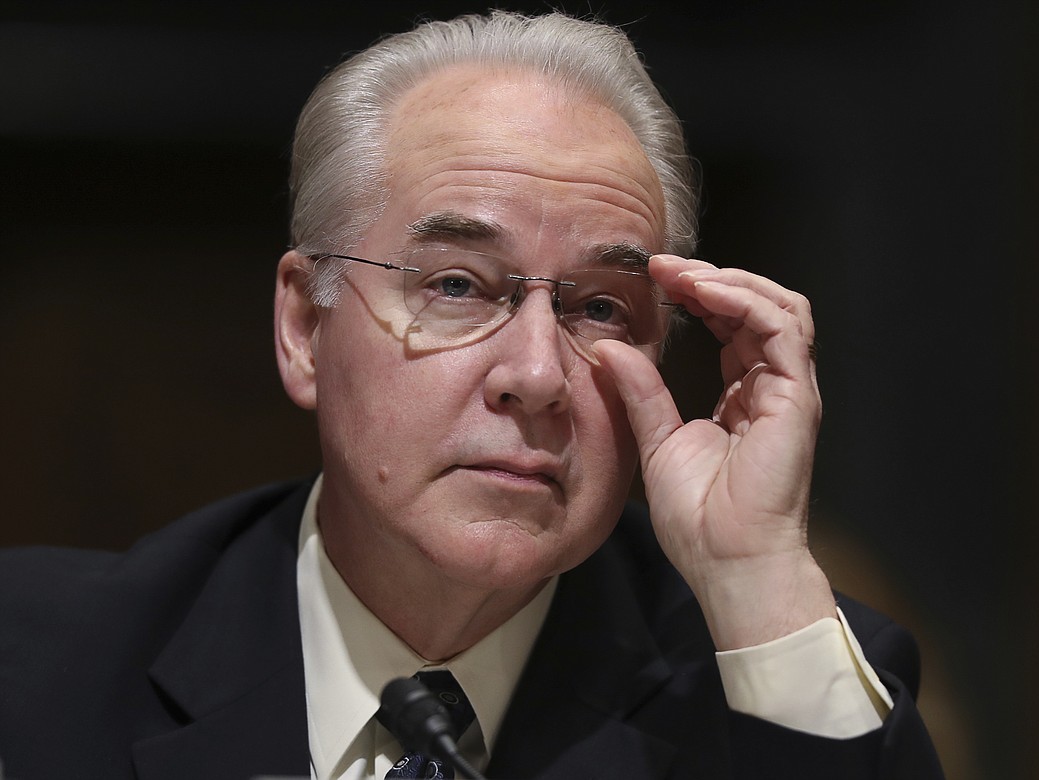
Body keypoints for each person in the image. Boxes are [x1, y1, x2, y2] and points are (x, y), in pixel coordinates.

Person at [0, 11, 943, 780]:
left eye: (601, 307)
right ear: (303, 327)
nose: (535, 375)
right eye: (456, 286)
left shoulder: (770, 691)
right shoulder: (34, 671)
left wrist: (755, 577)